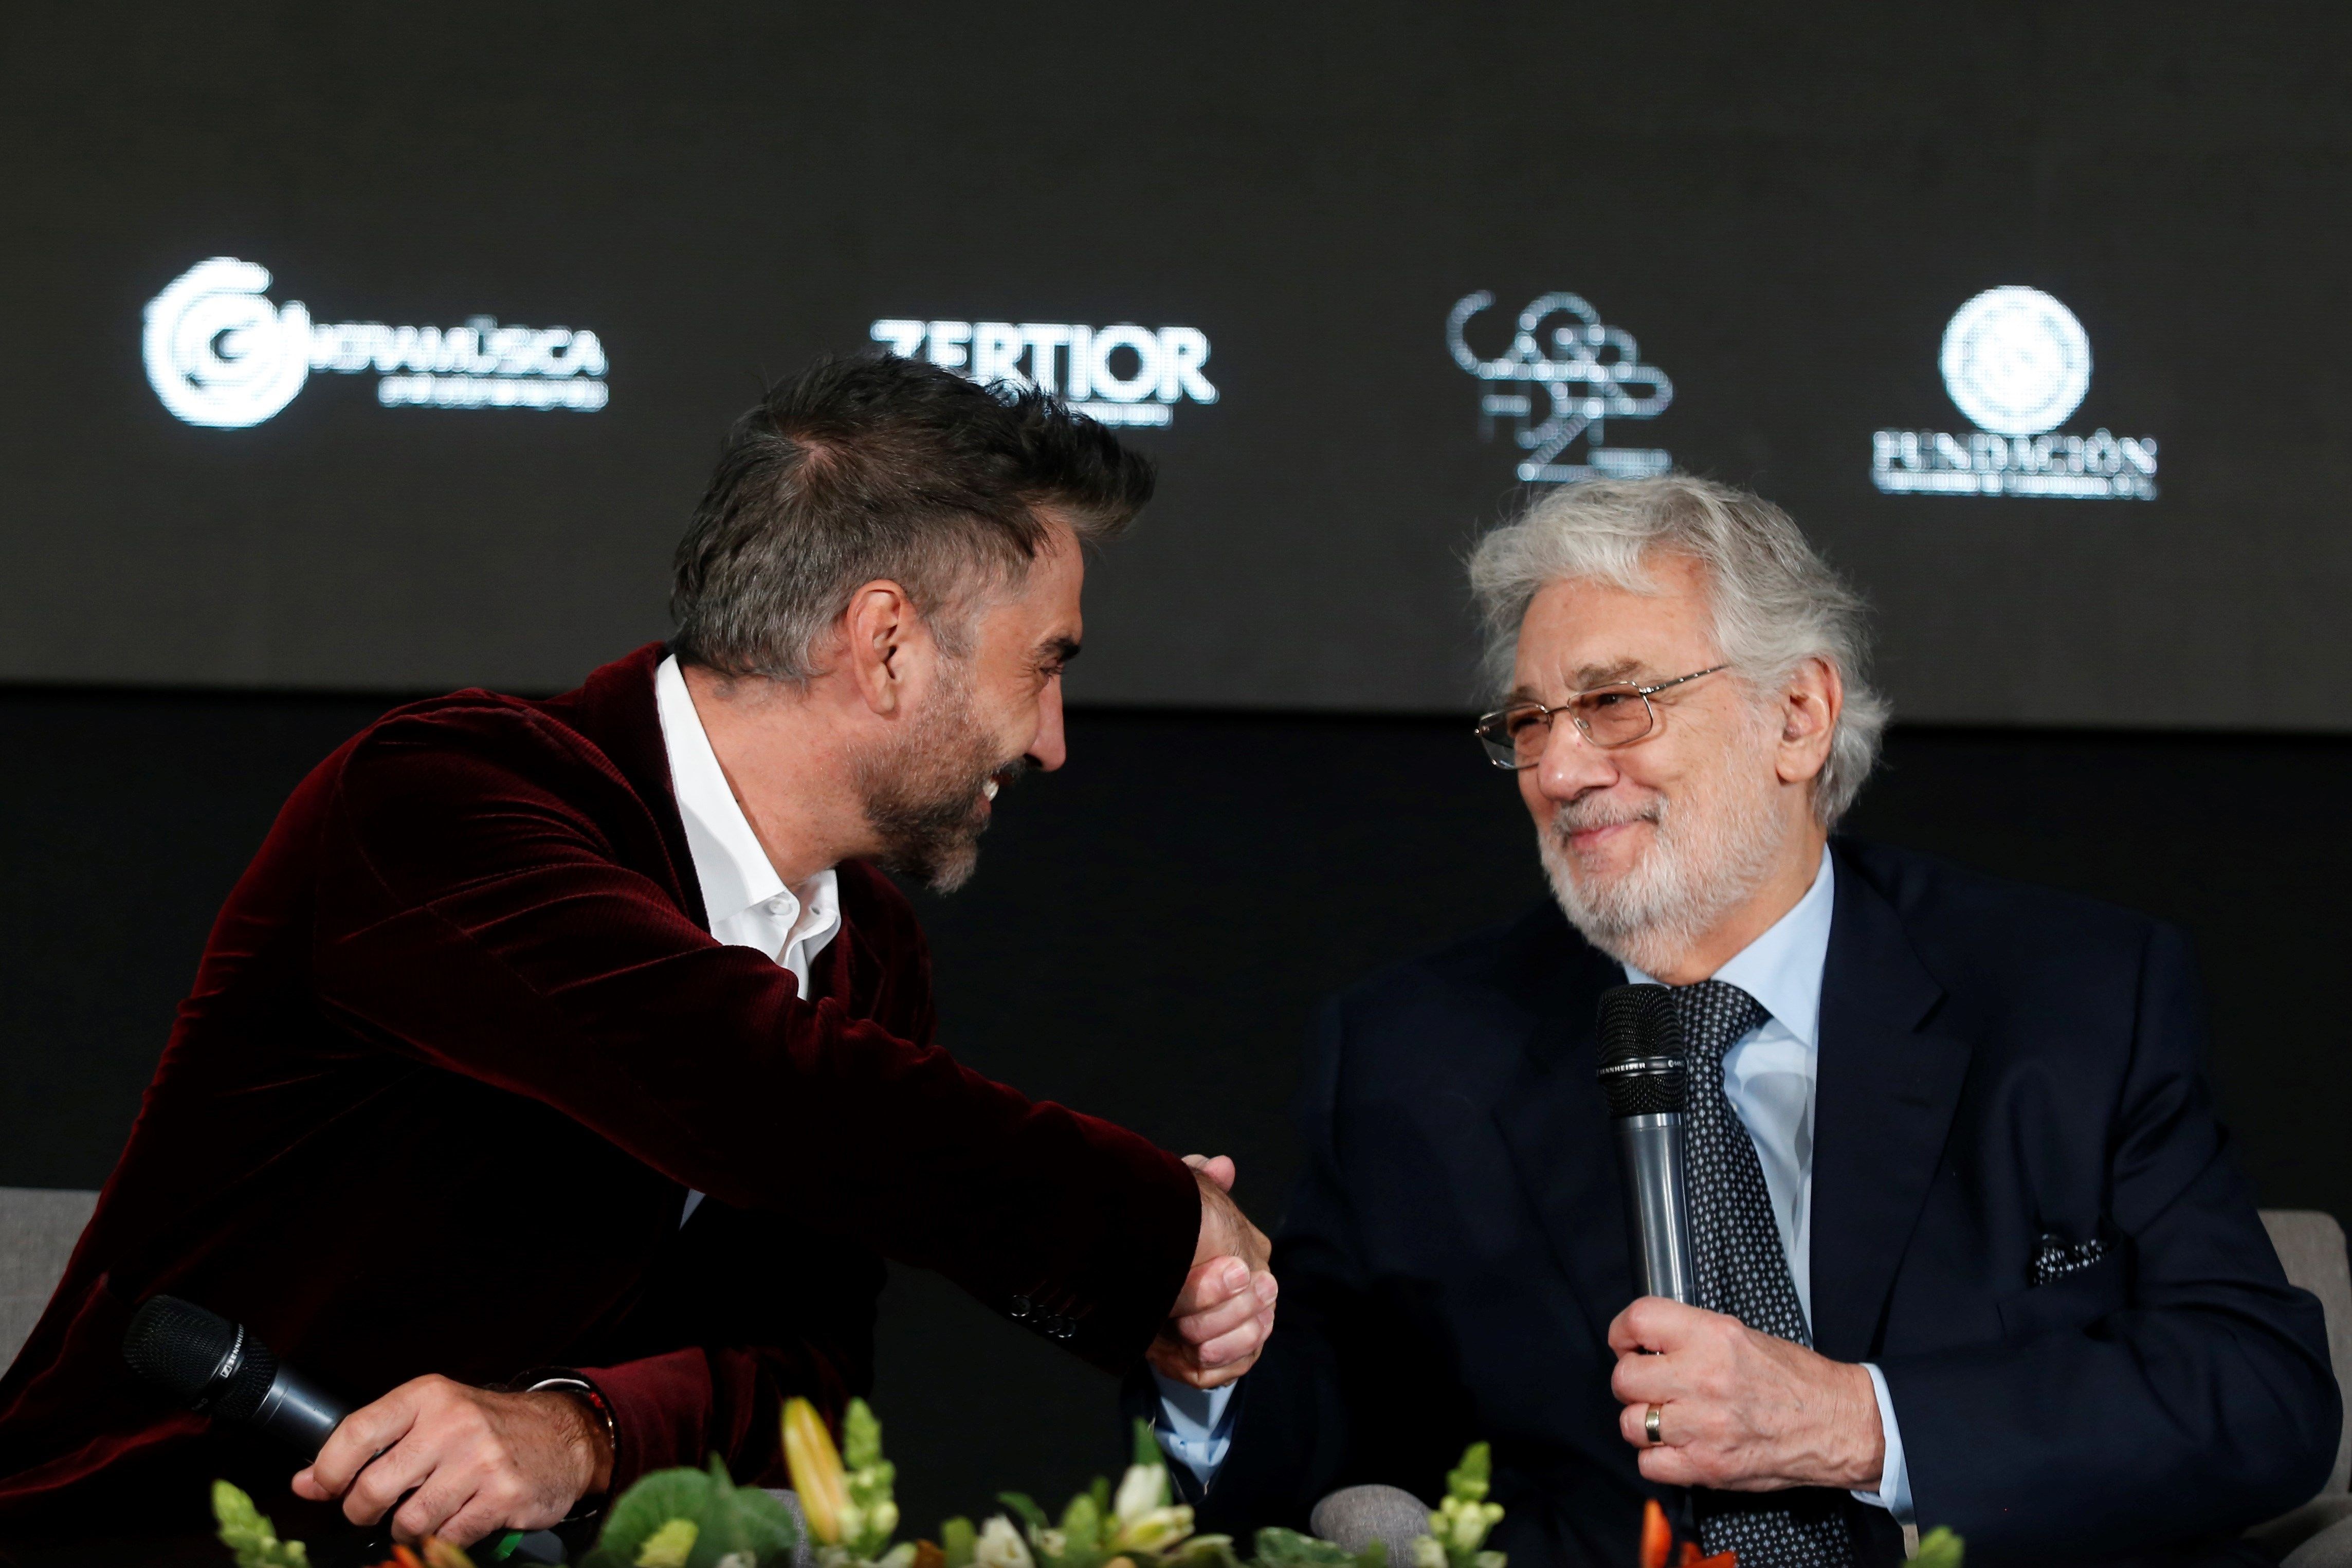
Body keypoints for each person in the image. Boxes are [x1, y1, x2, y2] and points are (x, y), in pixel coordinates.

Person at [0, 356, 1277, 1555]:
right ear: (885, 642)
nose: (1050, 740)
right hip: (164, 1530)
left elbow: (800, 1371)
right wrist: (1156, 1226)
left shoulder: (866, 950)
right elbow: (753, 1088)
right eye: (1042, 664)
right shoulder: (444, 799)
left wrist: (578, 1427)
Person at [1149, 476, 2338, 1568]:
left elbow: (2256, 1394)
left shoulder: (2066, 995)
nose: (1558, 768)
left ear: (1796, 717)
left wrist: (1850, 1421)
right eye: (1527, 721)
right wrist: (1213, 1346)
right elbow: (1309, 1445)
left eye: (1615, 703)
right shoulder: (1418, 1051)